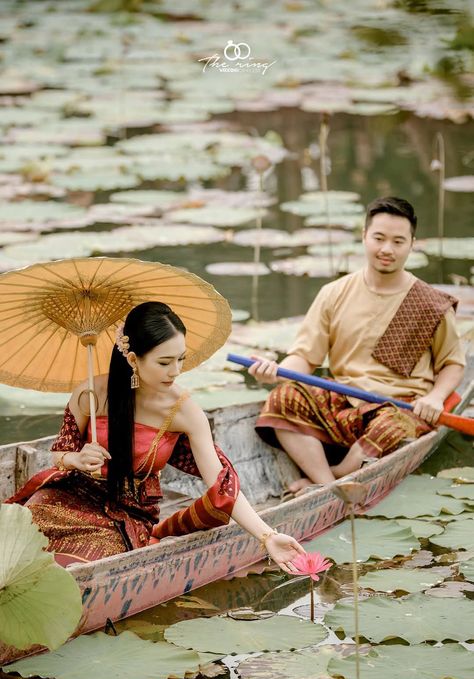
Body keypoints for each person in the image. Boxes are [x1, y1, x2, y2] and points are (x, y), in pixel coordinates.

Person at [7, 301, 304, 571]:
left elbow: (220, 482)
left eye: (180, 359)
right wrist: (77, 458)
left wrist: (268, 537)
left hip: (128, 512)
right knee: (23, 528)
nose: (175, 371)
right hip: (74, 493)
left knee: (87, 560)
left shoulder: (185, 412)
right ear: (134, 359)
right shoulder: (91, 394)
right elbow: (59, 454)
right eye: (164, 362)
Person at [249, 196, 466, 493]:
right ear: (364, 237)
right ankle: (329, 487)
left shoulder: (429, 303)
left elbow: (453, 363)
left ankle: (336, 473)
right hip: (344, 403)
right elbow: (304, 357)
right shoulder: (333, 293)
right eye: (379, 238)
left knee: (391, 427)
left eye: (398, 241)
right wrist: (275, 371)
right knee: (283, 398)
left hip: (400, 409)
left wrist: (436, 398)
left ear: (412, 244)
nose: (387, 249)